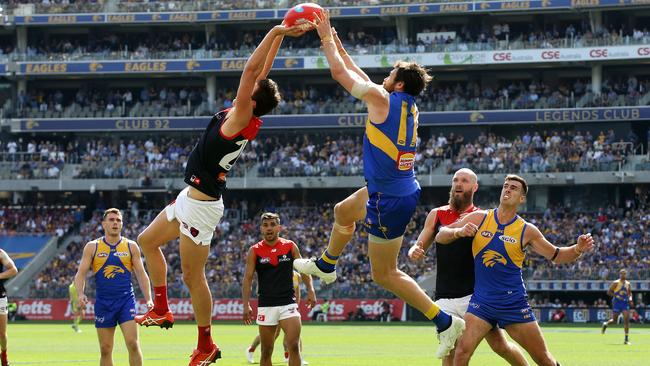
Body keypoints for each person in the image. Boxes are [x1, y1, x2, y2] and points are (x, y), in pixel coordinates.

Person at [293, 9, 464, 358]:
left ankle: (444, 320)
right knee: (343, 211)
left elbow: (341, 74)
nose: (384, 76)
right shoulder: (406, 105)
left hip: (388, 196)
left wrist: (326, 40)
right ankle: (327, 265)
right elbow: (361, 77)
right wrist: (337, 39)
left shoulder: (382, 99)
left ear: (398, 83)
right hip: (392, 187)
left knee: (384, 274)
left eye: (390, 73)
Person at [133, 23, 304, 365]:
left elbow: (252, 69)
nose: (248, 85)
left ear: (252, 97)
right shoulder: (249, 112)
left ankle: (206, 345)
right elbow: (262, 72)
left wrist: (274, 30)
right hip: (190, 197)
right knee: (146, 241)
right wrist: (282, 38)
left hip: (201, 207)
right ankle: (162, 310)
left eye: (251, 87)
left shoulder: (242, 112)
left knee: (193, 277)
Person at [435, 175, 595, 366]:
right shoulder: (481, 218)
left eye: (514, 188)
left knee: (543, 358)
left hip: (513, 303)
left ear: (522, 198)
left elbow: (557, 255)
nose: (508, 190)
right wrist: (458, 232)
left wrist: (577, 249)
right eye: (506, 186)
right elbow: (441, 235)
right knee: (462, 351)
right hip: (482, 302)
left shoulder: (526, 230)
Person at [408, 168, 528, 366]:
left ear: (475, 187)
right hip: (444, 296)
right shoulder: (437, 214)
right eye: (455, 180)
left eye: (464, 181)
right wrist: (415, 250)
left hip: (474, 295)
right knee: (450, 351)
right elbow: (420, 244)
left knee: (499, 345)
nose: (458, 184)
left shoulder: (482, 217)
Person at [73, 208, 153, 366]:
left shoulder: (131, 246)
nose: (115, 223)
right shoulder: (92, 247)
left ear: (122, 224)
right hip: (103, 303)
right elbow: (80, 274)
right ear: (103, 224)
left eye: (118, 220)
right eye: (111, 220)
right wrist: (80, 294)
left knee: (133, 344)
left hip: (126, 301)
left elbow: (142, 274)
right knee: (105, 348)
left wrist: (149, 299)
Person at [242, 212, 316, 366]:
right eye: (265, 225)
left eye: (272, 225)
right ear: (261, 229)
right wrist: (246, 304)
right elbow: (248, 278)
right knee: (266, 351)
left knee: (294, 346)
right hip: (266, 305)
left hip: (288, 303)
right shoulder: (254, 250)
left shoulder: (290, 246)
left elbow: (303, 269)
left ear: (279, 228)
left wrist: (311, 290)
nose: (269, 228)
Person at [246, 270, 309, 365]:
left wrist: (296, 306)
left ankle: (291, 356)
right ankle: (251, 349)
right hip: (273, 305)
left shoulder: (297, 276)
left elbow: (297, 291)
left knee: (293, 335)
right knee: (274, 335)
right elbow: (259, 289)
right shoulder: (275, 273)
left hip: (289, 306)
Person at [602, 269, 634, 344]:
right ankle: (606, 324)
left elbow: (630, 293)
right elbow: (609, 292)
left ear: (626, 275)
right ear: (619, 274)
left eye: (624, 274)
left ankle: (626, 339)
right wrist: (616, 296)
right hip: (617, 303)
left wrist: (630, 299)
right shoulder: (616, 283)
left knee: (626, 320)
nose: (623, 275)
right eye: (622, 274)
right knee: (614, 321)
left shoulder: (628, 284)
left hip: (624, 303)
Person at [0, 249, 17, 366]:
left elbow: (13, 270)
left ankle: (4, 355)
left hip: (0, 297)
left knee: (2, 333)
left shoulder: (0, 253)